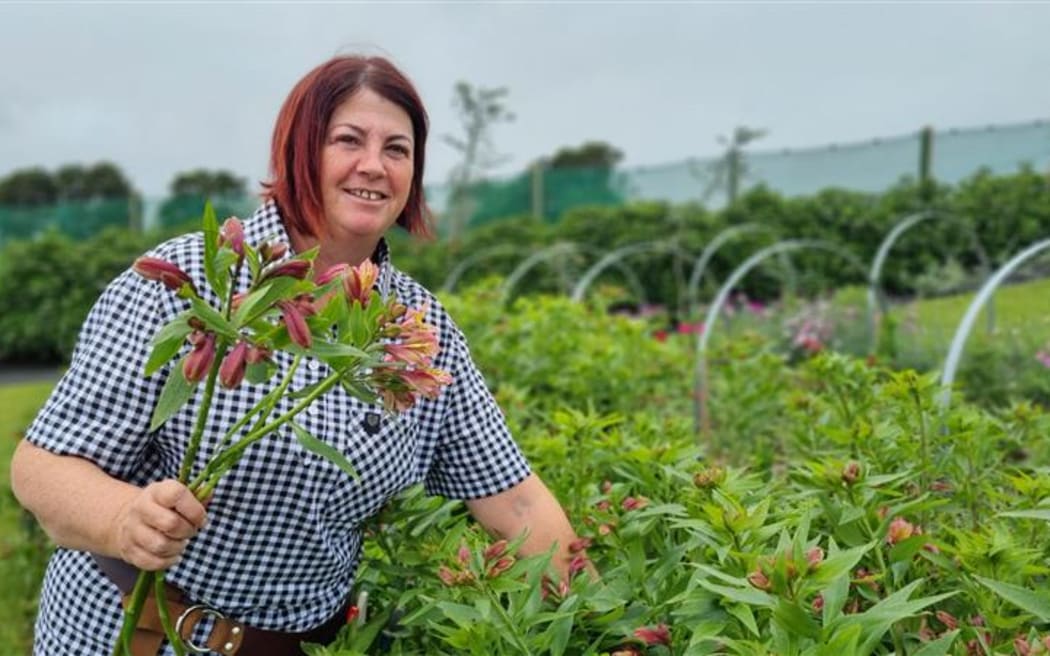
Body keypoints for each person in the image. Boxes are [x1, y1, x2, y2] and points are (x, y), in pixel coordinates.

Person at [11, 54, 584, 656]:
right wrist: (124, 517)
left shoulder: (417, 327)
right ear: (298, 151)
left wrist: (610, 623)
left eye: (397, 149)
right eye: (347, 140)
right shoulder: (189, 283)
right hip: (134, 634)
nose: (373, 165)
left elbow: (514, 498)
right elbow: (42, 467)